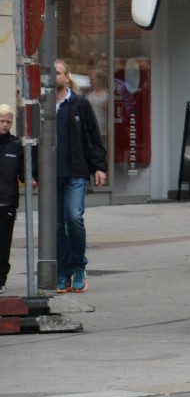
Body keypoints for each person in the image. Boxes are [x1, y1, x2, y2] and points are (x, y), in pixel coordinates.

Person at [55, 60, 108, 293]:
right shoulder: (42, 105)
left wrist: (99, 167)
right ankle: (62, 272)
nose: (53, 77)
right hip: (51, 176)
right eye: (50, 74)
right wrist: (34, 173)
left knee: (74, 218)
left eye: (57, 73)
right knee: (57, 225)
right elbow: (34, 140)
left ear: (67, 77)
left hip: (76, 172)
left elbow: (93, 137)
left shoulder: (79, 104)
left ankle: (78, 268)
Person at [0, 104, 34, 295]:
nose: (5, 125)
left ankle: (1, 278)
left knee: (3, 244)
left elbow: (23, 172)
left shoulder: (15, 145)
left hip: (7, 201)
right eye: (2, 121)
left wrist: (30, 179)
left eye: (8, 121)